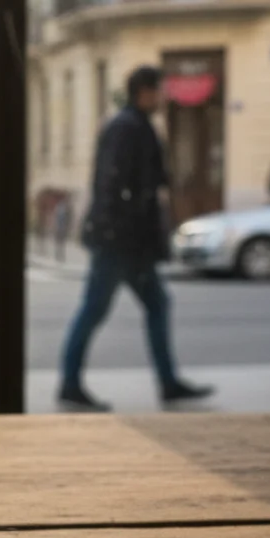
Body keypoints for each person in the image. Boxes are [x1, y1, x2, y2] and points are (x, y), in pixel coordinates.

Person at [58, 66, 215, 412]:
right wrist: (124, 231)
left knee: (154, 304)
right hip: (120, 242)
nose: (161, 97)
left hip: (128, 241)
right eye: (158, 90)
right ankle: (70, 382)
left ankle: (168, 382)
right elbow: (114, 187)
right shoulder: (126, 128)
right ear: (144, 92)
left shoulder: (136, 126)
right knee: (95, 309)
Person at [52, 192, 73, 263]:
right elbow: (56, 217)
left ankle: (61, 254)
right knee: (58, 241)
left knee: (62, 242)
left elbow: (69, 218)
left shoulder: (68, 208)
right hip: (59, 226)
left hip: (63, 227)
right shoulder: (60, 207)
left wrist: (68, 226)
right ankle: (58, 254)